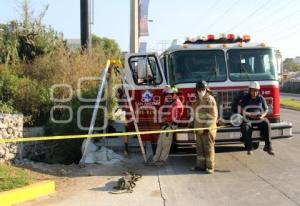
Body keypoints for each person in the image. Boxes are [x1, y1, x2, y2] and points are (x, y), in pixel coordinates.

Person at [148, 86, 183, 166]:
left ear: (173, 94)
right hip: (166, 125)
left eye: (167, 94)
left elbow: (172, 117)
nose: (166, 96)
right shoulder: (171, 102)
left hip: (169, 126)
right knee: (160, 143)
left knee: (166, 144)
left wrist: (164, 121)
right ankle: (155, 159)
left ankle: (162, 160)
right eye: (166, 94)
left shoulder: (177, 104)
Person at [239, 81, 274, 155]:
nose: (255, 92)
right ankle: (249, 148)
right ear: (250, 90)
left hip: (259, 118)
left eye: (256, 91)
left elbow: (266, 109)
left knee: (266, 123)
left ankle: (268, 146)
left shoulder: (261, 98)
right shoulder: (245, 98)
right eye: (253, 90)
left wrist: (262, 116)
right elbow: (241, 109)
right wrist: (248, 114)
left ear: (258, 91)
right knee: (246, 127)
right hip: (248, 117)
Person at [191, 80, 218, 174]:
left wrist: (208, 128)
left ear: (206, 89)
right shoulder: (197, 100)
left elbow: (213, 116)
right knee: (199, 149)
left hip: (207, 130)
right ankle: (200, 166)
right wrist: (192, 125)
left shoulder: (210, 100)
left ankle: (210, 167)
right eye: (199, 89)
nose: (200, 91)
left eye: (202, 89)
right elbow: (195, 114)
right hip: (198, 129)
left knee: (208, 148)